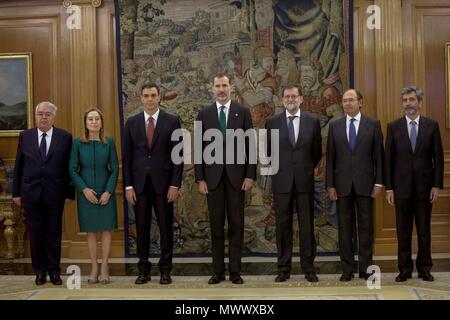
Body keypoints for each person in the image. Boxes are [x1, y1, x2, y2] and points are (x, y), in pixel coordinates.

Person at [195, 73, 256, 285]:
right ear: (212, 89)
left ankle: (236, 272)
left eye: (224, 85)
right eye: (217, 85)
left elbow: (251, 146)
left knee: (236, 226)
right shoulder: (204, 114)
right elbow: (198, 149)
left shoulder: (242, 112)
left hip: (237, 179)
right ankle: (218, 272)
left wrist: (250, 175)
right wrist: (200, 178)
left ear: (231, 88)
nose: (221, 89)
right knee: (216, 226)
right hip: (212, 180)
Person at [123, 83, 183, 285]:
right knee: (141, 229)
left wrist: (175, 185)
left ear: (159, 98)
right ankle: (143, 270)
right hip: (139, 186)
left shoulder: (172, 121)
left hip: (164, 186)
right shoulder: (131, 123)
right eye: (146, 95)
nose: (150, 99)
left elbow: (178, 156)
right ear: (141, 98)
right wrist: (128, 186)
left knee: (166, 229)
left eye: (153, 95)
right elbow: (127, 156)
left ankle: (165, 270)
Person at [385, 86, 444, 282]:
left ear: (419, 102)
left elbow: (438, 158)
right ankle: (404, 269)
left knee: (424, 231)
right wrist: (389, 188)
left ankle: (425, 268)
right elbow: (388, 160)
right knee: (403, 232)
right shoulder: (393, 127)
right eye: (405, 100)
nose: (408, 103)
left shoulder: (432, 125)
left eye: (411, 99)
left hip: (425, 189)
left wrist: (436, 186)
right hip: (400, 189)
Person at [12, 101, 74, 285]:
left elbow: (69, 167)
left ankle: (54, 271)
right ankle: (40, 272)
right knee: (36, 235)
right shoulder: (26, 136)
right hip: (30, 194)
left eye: (48, 114)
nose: (44, 117)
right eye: (40, 114)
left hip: (55, 194)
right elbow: (18, 166)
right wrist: (16, 193)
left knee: (53, 235)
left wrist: (70, 193)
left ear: (54, 117)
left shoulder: (65, 137)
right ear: (35, 116)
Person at [265, 84, 322, 283]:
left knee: (307, 226)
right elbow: (268, 151)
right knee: (283, 226)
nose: (290, 99)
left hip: (305, 182)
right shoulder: (271, 122)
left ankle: (308, 268)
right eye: (287, 96)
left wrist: (304, 169)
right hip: (281, 181)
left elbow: (317, 153)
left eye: (294, 96)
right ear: (282, 100)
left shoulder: (312, 122)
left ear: (301, 99)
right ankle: (283, 268)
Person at [326, 89, 384, 281]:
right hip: (342, 186)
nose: (347, 104)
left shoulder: (373, 124)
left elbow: (379, 158)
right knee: (345, 229)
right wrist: (330, 185)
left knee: (366, 228)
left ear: (360, 102)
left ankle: (366, 269)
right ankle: (347, 270)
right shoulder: (334, 126)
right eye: (344, 101)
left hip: (366, 185)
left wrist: (379, 183)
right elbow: (331, 159)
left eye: (351, 100)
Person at [69, 108, 119, 284]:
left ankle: (105, 266)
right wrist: (84, 189)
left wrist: (108, 191)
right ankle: (94, 267)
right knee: (91, 232)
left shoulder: (109, 142)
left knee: (106, 230)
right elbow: (72, 169)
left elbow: (115, 169)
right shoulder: (78, 143)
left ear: (101, 122)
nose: (94, 121)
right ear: (86, 122)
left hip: (106, 191)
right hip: (86, 193)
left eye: (97, 118)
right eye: (90, 119)